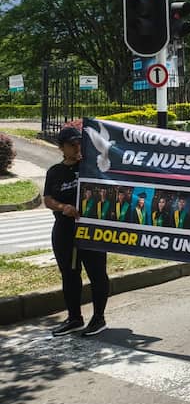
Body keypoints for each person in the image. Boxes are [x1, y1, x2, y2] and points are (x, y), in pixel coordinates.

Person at [43, 126, 109, 337]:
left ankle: (98, 318)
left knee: (97, 273)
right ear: (61, 147)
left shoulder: (92, 166)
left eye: (80, 143)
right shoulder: (55, 172)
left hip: (91, 231)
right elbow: (48, 200)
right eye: (72, 144)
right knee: (70, 275)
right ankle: (74, 318)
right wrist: (64, 208)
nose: (77, 147)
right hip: (65, 231)